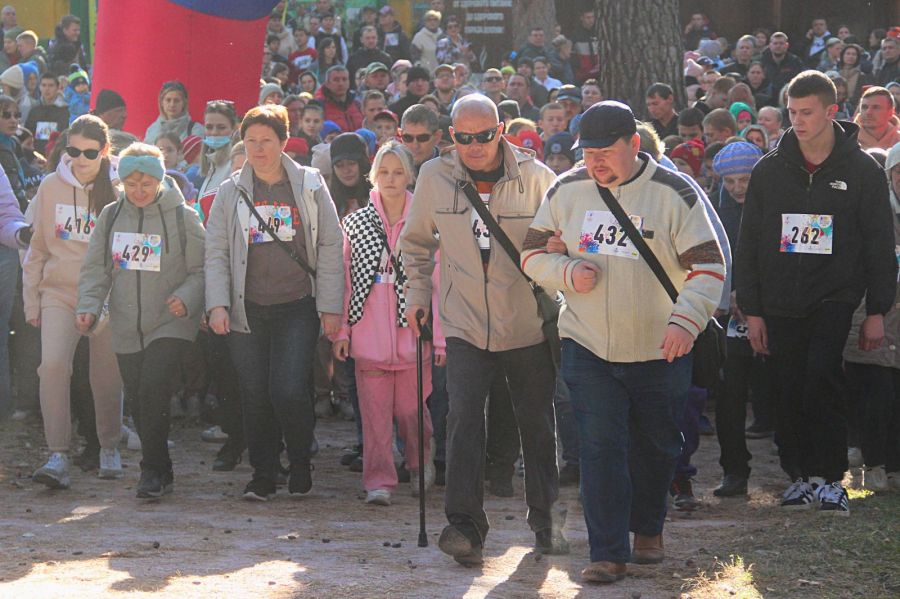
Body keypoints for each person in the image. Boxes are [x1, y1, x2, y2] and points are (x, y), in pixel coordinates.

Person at [521, 101, 725, 583]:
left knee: (656, 445)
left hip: (662, 347)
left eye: (606, 151)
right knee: (599, 446)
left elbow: (709, 268)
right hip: (588, 346)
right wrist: (566, 271)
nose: (595, 162)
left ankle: (649, 528)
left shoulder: (675, 192)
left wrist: (685, 321)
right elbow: (531, 254)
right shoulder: (566, 189)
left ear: (634, 144)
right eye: (587, 151)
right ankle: (608, 551)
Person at [399, 94, 566, 566]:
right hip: (464, 322)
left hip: (527, 323)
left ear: (502, 131)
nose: (474, 146)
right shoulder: (434, 177)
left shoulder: (537, 178)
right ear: (451, 136)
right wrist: (417, 298)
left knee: (537, 423)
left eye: (484, 136)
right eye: (463, 137)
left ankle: (549, 523)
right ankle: (465, 527)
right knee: (463, 420)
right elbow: (414, 246)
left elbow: (561, 242)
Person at [735, 71, 897, 515]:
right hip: (779, 299)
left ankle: (830, 478)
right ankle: (800, 476)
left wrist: (877, 309)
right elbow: (749, 243)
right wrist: (752, 309)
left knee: (822, 376)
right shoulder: (770, 169)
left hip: (836, 295)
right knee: (787, 384)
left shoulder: (863, 170)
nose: (799, 121)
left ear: (831, 111)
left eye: (807, 112)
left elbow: (879, 243)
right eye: (792, 112)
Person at [205, 104, 344, 501]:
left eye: (267, 141)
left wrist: (331, 306)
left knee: (287, 389)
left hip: (297, 304)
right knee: (254, 392)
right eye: (250, 141)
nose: (258, 149)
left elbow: (331, 244)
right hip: (247, 308)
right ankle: (263, 474)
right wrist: (217, 304)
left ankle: (300, 460)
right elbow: (215, 251)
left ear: (284, 143)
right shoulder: (230, 192)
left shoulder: (311, 185)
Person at [76, 142, 204, 498]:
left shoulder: (184, 216)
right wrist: (87, 305)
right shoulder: (111, 216)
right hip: (126, 322)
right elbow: (95, 271)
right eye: (131, 184)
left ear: (159, 179)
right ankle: (162, 466)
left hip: (170, 320)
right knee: (139, 397)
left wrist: (187, 297)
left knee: (152, 389)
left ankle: (149, 471)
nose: (139, 191)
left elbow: (202, 268)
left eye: (146, 183)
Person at [333, 141, 445, 505]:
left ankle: (419, 462)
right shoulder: (355, 224)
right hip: (368, 339)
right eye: (384, 172)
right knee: (375, 416)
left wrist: (439, 339)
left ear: (410, 176)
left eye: (398, 172)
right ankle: (378, 480)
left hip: (414, 336)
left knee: (412, 410)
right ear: (373, 176)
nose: (391, 179)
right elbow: (345, 282)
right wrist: (342, 331)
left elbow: (440, 284)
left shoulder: (427, 220)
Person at [23, 115, 124, 489]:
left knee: (106, 375)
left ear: (104, 151)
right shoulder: (50, 186)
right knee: (51, 366)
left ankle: (110, 446)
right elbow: (37, 248)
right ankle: (57, 454)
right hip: (59, 293)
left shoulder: (119, 186)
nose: (80, 159)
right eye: (72, 151)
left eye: (89, 152)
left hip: (106, 294)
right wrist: (31, 299)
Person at [842, 141, 900, 492]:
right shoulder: (875, 213)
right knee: (874, 396)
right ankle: (875, 463)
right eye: (899, 172)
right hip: (874, 316)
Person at [195, 100, 238, 208]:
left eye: (221, 127)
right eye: (209, 127)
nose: (214, 132)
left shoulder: (235, 164)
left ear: (233, 129)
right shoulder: (210, 164)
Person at [24, 72, 68, 155]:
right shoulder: (34, 109)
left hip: (57, 154)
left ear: (58, 87)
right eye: (44, 85)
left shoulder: (65, 110)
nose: (47, 89)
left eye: (51, 85)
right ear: (39, 87)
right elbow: (28, 133)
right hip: (36, 155)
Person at [315, 65, 364, 134]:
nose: (341, 83)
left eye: (344, 79)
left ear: (349, 82)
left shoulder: (357, 104)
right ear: (327, 84)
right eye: (336, 80)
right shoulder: (319, 106)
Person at [347, 26, 392, 91]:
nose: (371, 41)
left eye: (373, 38)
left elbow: (390, 80)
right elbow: (349, 80)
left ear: (377, 39)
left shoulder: (385, 58)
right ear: (361, 40)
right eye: (367, 38)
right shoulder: (353, 58)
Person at [854, 86, 900, 150]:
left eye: (876, 107)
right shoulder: (848, 139)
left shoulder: (898, 141)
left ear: (891, 112)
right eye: (864, 107)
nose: (868, 112)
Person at [761, 33, 804, 100]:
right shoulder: (763, 61)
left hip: (788, 96)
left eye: (781, 43)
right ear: (770, 46)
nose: (778, 46)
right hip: (767, 97)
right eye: (775, 43)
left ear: (787, 45)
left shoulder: (795, 62)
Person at [569, 9, 599, 84]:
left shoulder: (599, 32)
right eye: (588, 18)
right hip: (582, 75)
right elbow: (572, 56)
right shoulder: (575, 35)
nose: (591, 20)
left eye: (592, 17)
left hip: (598, 72)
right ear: (582, 18)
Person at [411, 10, 442, 74]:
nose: (432, 22)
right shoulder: (418, 37)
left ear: (439, 22)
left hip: (442, 73)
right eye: (429, 20)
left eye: (435, 20)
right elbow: (415, 57)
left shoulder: (443, 35)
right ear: (425, 22)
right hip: (426, 74)